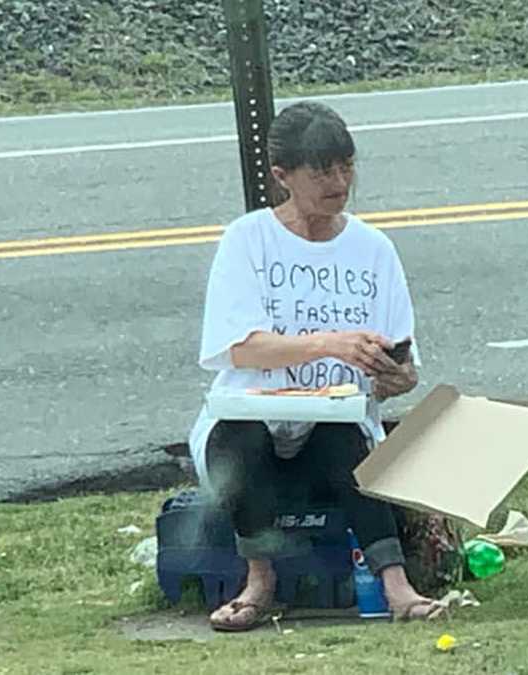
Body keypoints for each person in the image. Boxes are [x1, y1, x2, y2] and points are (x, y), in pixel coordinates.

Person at [187, 101, 445, 630]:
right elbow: (241, 348)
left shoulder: (373, 249)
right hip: (251, 419)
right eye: (322, 171)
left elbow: (403, 361)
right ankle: (258, 581)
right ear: (283, 176)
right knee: (241, 438)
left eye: (346, 166)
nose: (339, 181)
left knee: (343, 435)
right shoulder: (248, 240)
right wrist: (328, 344)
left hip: (337, 421)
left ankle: (396, 585)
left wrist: (397, 377)